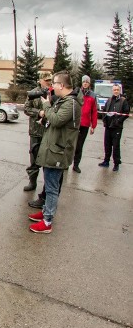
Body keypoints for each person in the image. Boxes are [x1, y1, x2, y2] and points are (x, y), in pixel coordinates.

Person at [27, 72, 82, 233]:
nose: (53, 87)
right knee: (49, 184)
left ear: (62, 86)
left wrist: (46, 104)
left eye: (55, 84)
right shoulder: (65, 101)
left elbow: (56, 120)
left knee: (51, 187)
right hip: (54, 148)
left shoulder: (71, 103)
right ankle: (46, 212)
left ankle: (47, 221)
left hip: (58, 151)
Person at [23, 73, 53, 194]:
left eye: (50, 80)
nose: (49, 82)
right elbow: (26, 108)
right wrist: (38, 112)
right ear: (40, 80)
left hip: (49, 131)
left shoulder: (53, 92)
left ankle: (47, 186)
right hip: (35, 131)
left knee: (48, 159)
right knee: (34, 158)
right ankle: (32, 181)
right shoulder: (33, 93)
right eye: (46, 80)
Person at [99, 83, 129, 172]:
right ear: (112, 90)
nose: (116, 91)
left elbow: (126, 113)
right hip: (108, 126)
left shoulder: (123, 101)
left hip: (117, 127)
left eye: (117, 90)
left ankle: (116, 163)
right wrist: (104, 120)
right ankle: (106, 161)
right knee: (107, 144)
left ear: (119, 91)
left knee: (115, 146)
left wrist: (118, 121)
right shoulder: (109, 100)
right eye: (114, 90)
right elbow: (104, 111)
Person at [72, 75, 98, 173]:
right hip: (75, 123)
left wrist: (93, 126)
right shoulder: (77, 92)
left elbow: (94, 111)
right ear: (82, 83)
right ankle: (66, 164)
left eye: (87, 82)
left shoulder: (92, 95)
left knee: (79, 146)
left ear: (89, 83)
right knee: (70, 144)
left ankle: (76, 165)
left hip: (85, 124)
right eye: (84, 82)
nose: (85, 83)